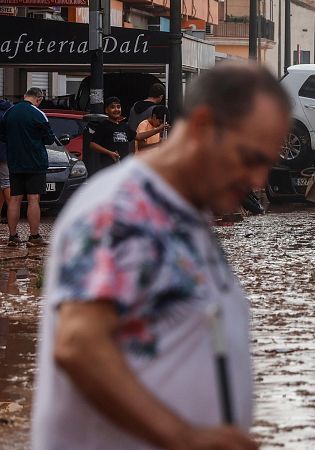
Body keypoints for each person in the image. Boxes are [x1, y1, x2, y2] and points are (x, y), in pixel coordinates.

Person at [32, 62, 290, 450]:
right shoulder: (123, 208)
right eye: (251, 158)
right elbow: (79, 344)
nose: (258, 180)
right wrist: (182, 437)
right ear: (203, 127)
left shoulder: (184, 216)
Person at [0, 87, 54, 247]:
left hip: (15, 162)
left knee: (15, 199)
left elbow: (3, 136)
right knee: (33, 199)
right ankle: (34, 236)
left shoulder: (9, 113)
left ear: (25, 96)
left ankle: (12, 236)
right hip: (35, 162)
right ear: (39, 99)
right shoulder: (38, 114)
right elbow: (49, 138)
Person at [86, 97, 163, 176]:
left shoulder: (124, 126)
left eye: (118, 107)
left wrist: (158, 130)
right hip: (109, 168)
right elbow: (92, 144)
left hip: (123, 167)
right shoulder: (104, 125)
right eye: (112, 107)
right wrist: (110, 153)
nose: (116, 109)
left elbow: (139, 136)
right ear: (106, 110)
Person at [0, 99, 12, 224]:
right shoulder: (8, 112)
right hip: (5, 153)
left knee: (4, 184)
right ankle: (12, 213)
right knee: (5, 183)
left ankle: (12, 212)